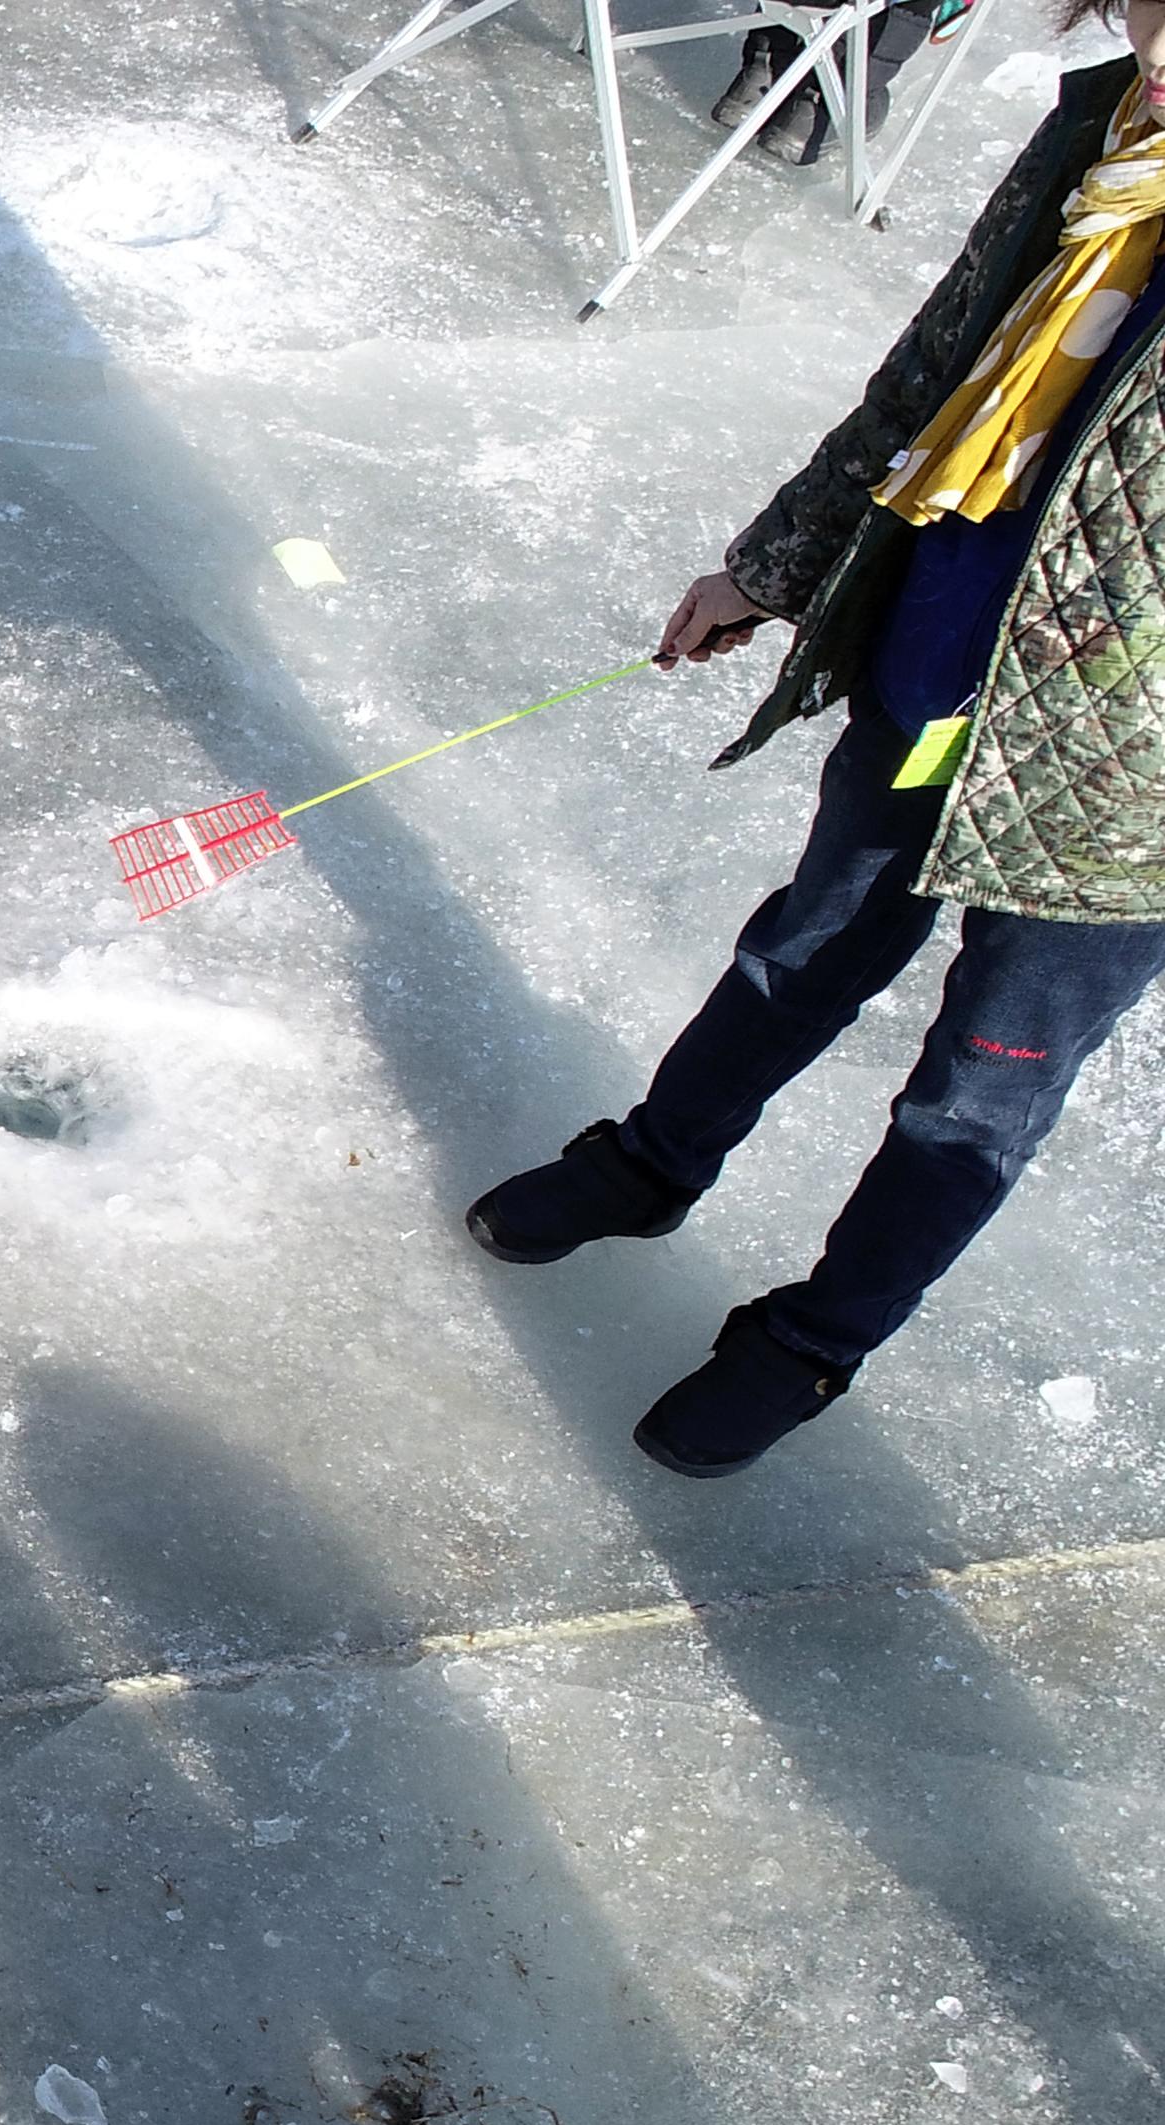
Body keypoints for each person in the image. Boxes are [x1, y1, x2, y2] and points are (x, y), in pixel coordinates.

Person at [471, 9, 1165, 1477]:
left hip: (1121, 796)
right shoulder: (1105, 126)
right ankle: (653, 1163)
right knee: (806, 945)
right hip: (937, 663)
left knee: (978, 1089)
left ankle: (811, 1342)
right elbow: (935, 370)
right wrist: (777, 566)